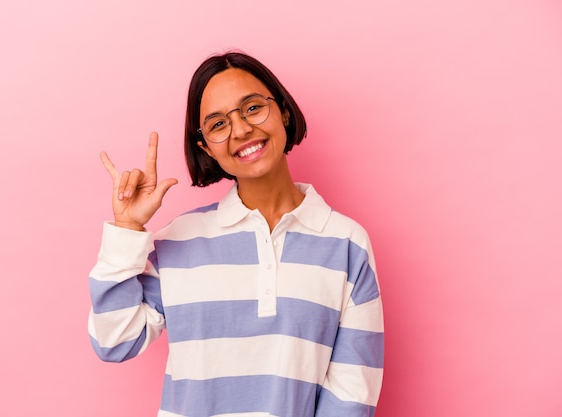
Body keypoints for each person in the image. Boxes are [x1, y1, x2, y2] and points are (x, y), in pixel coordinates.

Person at [88, 51, 384, 417]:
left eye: (253, 108)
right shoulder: (177, 241)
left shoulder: (347, 244)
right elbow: (114, 341)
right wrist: (128, 229)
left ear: (284, 112)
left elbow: (354, 390)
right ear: (205, 148)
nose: (242, 130)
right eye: (217, 125)